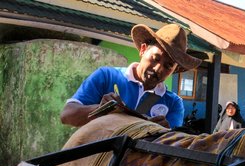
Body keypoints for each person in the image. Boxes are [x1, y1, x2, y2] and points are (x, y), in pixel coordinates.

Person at [60, 24, 202, 129]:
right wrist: (100, 110)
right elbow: (67, 115)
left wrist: (164, 133)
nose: (158, 68)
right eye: (155, 58)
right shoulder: (106, 76)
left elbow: (170, 149)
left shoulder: (173, 103)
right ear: (143, 49)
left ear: (175, 70)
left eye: (168, 66)